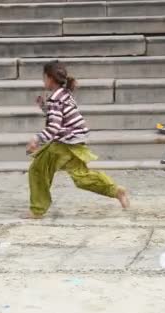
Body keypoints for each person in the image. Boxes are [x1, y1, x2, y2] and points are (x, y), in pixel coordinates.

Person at [25, 61, 130, 219]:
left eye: (44, 77)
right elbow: (60, 116)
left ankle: (37, 210)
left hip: (64, 143)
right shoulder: (65, 93)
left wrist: (36, 139)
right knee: (82, 177)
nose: (43, 81)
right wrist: (45, 108)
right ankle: (116, 190)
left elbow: (54, 127)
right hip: (75, 140)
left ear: (49, 78)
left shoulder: (55, 99)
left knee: (37, 170)